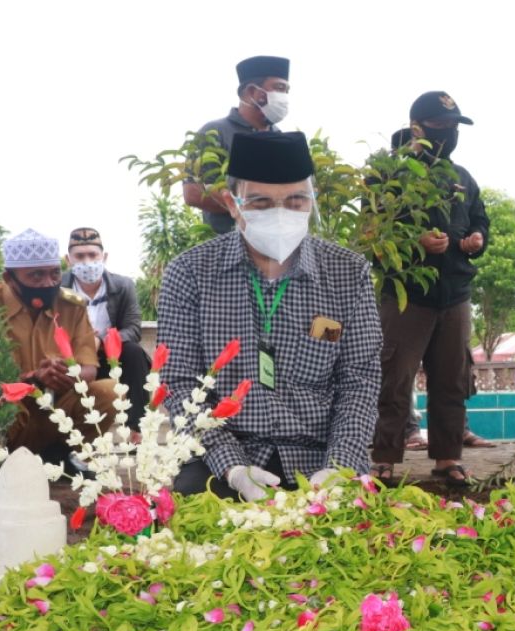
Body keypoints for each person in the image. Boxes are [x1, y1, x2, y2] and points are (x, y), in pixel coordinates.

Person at [159, 131, 382, 500]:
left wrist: (340, 465)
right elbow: (181, 384)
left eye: (295, 201)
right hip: (221, 453)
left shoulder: (347, 272)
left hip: (317, 457)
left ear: (311, 201)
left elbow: (358, 382)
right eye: (261, 204)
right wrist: (233, 467)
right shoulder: (191, 272)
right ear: (233, 204)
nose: (281, 215)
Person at [370, 91, 489, 488]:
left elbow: (481, 221)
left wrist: (476, 238)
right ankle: (384, 458)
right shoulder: (390, 175)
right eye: (441, 127)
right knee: (393, 378)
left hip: (454, 294)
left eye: (454, 128)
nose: (449, 134)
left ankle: (447, 459)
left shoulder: (463, 178)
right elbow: (372, 232)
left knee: (451, 381)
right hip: (408, 295)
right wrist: (414, 241)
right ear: (417, 127)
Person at [0, 229, 116, 463]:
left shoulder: (72, 305)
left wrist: (66, 374)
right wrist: (33, 379)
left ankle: (62, 455)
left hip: (57, 406)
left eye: (54, 274)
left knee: (109, 392)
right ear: (9, 278)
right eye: (36, 276)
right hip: (9, 415)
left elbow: (89, 368)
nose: (48, 283)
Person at [183, 56, 290, 234]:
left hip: (276, 247)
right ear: (250, 92)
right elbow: (192, 193)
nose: (284, 97)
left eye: (287, 91)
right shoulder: (213, 133)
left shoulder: (283, 140)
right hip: (226, 247)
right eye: (279, 88)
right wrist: (253, 210)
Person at [60, 227, 150, 432]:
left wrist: (103, 340)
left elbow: (133, 329)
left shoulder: (123, 285)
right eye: (80, 256)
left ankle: (137, 427)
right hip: (72, 359)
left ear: (104, 257)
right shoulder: (58, 287)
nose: (87, 261)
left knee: (134, 353)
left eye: (93, 255)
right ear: (68, 260)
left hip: (110, 355)